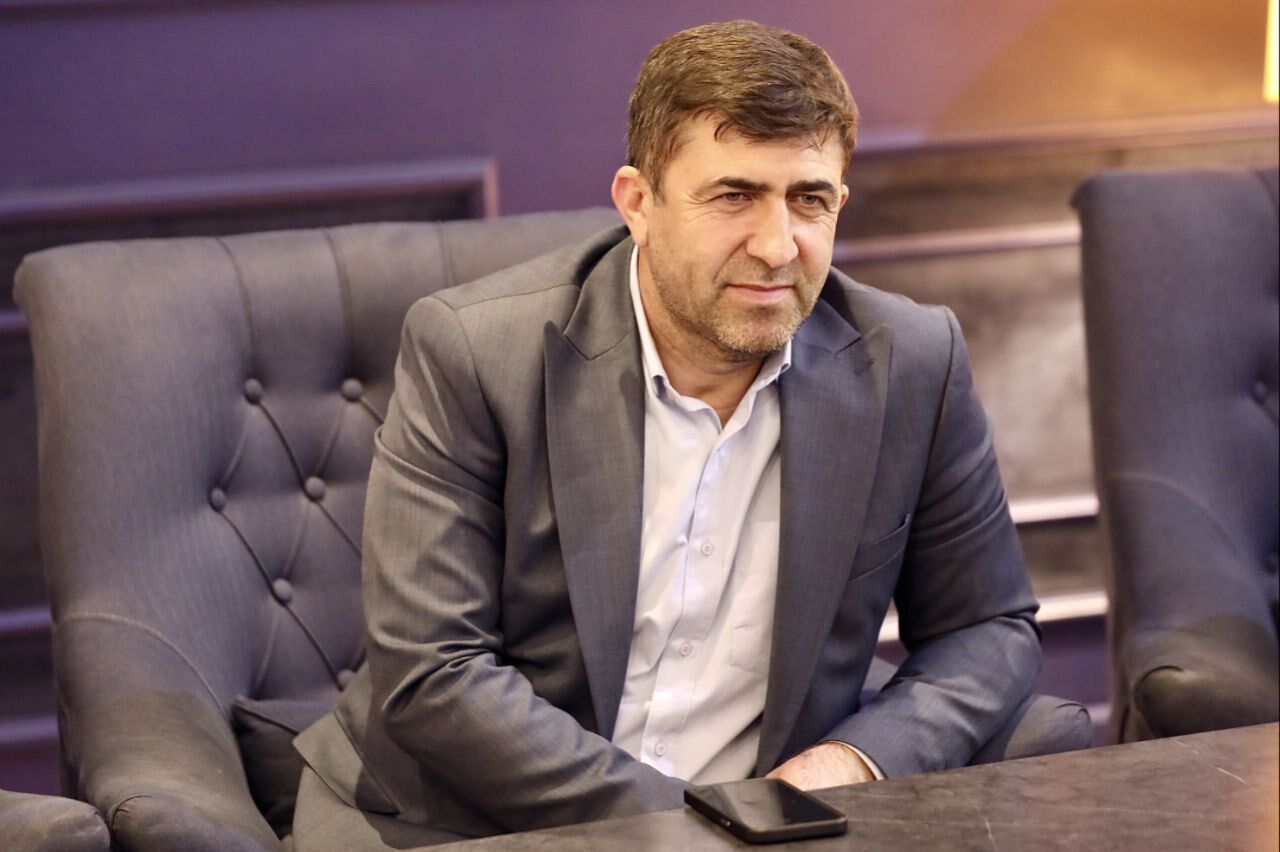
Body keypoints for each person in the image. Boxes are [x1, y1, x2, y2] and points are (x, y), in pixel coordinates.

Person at [293, 19, 1041, 848]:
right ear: (638, 204)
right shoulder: (476, 352)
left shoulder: (910, 362)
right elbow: (436, 672)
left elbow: (986, 629)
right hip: (474, 819)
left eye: (809, 200)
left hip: (768, 820)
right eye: (733, 196)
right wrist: (689, 830)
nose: (777, 247)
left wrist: (853, 761)